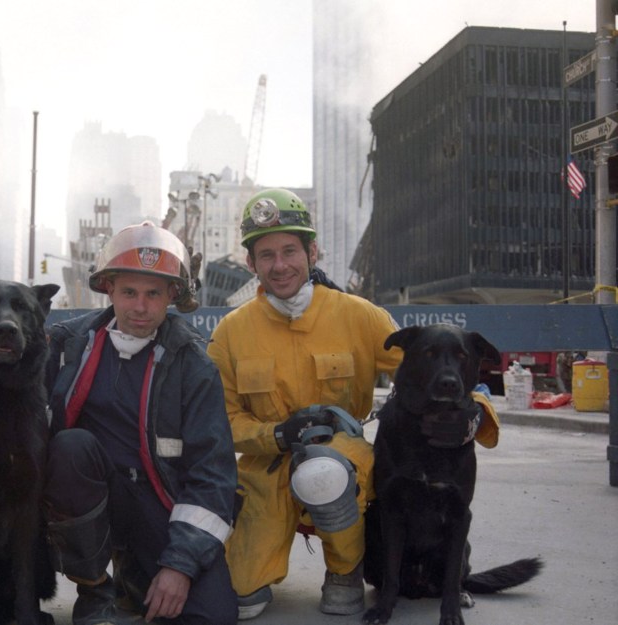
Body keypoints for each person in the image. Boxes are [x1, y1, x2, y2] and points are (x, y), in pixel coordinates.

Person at [206, 188, 500, 620]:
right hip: (265, 469)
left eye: (290, 250)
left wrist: (474, 415)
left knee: (325, 472)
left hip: (342, 463)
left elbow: (433, 368)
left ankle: (344, 572)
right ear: (251, 263)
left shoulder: (360, 315)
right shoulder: (231, 332)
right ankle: (257, 566)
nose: (280, 264)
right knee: (242, 596)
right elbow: (221, 419)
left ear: (312, 251)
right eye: (266, 255)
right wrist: (274, 434)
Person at [43, 221, 238, 625]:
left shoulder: (194, 366)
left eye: (153, 294)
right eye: (129, 292)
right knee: (71, 446)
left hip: (159, 504)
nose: (140, 307)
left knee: (211, 616)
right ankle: (95, 590)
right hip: (87, 502)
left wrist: (179, 566)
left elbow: (212, 474)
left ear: (173, 294)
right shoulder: (67, 347)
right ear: (108, 288)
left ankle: (135, 573)